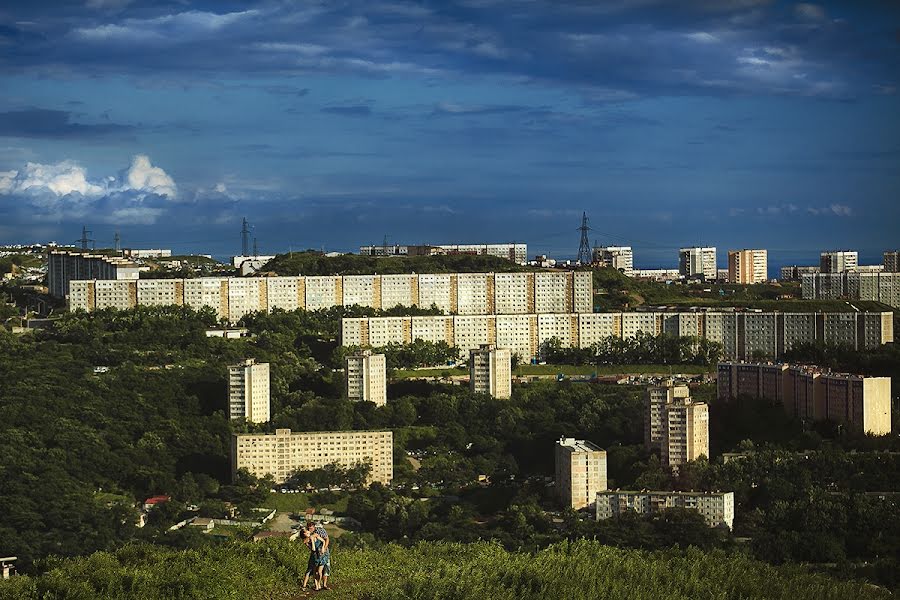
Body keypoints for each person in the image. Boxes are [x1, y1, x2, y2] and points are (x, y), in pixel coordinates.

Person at [306, 521, 331, 590]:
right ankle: (318, 584)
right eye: (309, 528)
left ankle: (324, 584)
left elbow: (326, 539)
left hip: (324, 552)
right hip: (316, 554)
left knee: (326, 567)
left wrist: (324, 548)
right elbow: (311, 547)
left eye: (311, 528)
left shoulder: (320, 530)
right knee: (316, 570)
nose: (309, 530)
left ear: (314, 527)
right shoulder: (308, 534)